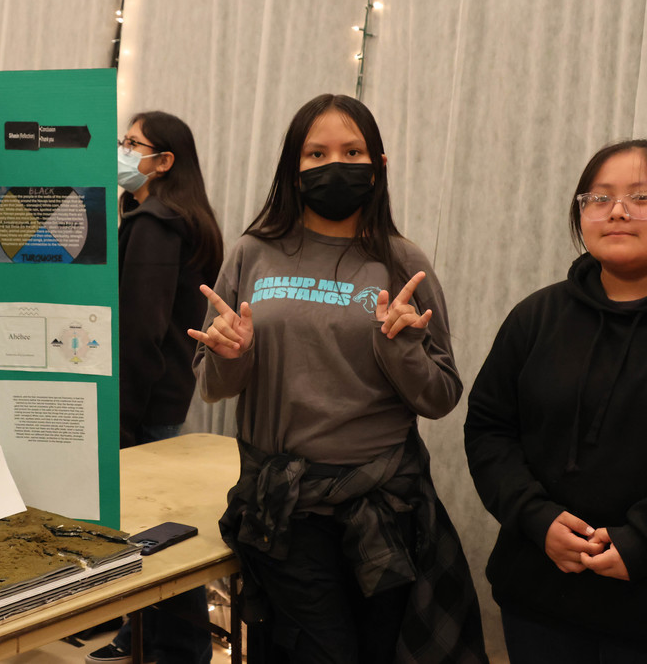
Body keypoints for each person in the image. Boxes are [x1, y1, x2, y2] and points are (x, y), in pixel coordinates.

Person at [189, 94, 487, 663]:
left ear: (378, 166)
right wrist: (233, 354)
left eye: (352, 152)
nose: (335, 164)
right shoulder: (253, 252)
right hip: (285, 509)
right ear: (293, 168)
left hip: (384, 508)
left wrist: (400, 348)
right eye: (316, 153)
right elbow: (213, 384)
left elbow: (441, 396)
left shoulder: (402, 261)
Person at [464, 139, 647, 663]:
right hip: (542, 602)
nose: (617, 211)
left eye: (643, 197)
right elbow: (490, 430)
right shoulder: (537, 316)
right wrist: (535, 517)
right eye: (598, 198)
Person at [86, 111, 222, 663]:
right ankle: (140, 633)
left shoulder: (156, 225)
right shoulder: (167, 218)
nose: (122, 150)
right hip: (161, 394)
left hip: (143, 400)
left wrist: (122, 416)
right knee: (151, 526)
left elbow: (141, 329)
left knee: (158, 532)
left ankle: (181, 647)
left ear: (164, 161)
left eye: (132, 143)